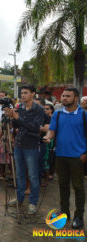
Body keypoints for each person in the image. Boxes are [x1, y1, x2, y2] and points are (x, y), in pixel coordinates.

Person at [43, 88, 87, 229]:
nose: (64, 98)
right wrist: (48, 137)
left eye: (68, 96)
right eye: (63, 95)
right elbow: (52, 130)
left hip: (78, 157)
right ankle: (65, 212)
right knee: (63, 186)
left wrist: (85, 153)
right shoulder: (58, 113)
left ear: (76, 98)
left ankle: (79, 216)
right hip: (60, 155)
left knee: (78, 187)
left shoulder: (84, 115)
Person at [5, 85, 45, 215]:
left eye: (26, 93)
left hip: (31, 145)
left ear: (33, 94)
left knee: (33, 176)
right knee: (19, 174)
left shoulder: (38, 109)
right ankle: (20, 198)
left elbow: (34, 127)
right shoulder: (20, 107)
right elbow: (17, 125)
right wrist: (12, 117)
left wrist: (17, 118)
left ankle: (33, 203)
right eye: (21, 93)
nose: (23, 95)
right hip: (19, 144)